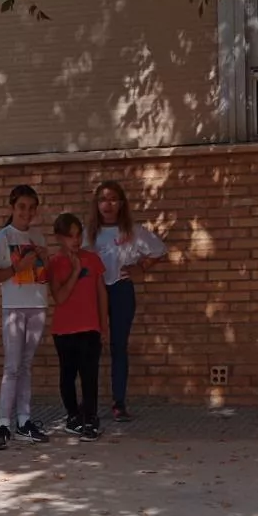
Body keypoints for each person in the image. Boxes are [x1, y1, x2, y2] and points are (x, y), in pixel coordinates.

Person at [90, 180, 166, 423]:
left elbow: (159, 250)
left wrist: (140, 268)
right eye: (102, 199)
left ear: (121, 203)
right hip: (95, 292)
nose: (107, 204)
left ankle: (119, 402)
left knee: (118, 347)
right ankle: (88, 403)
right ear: (97, 204)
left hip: (122, 290)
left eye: (112, 199)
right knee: (91, 347)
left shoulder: (132, 231)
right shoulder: (88, 232)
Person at [0, 184, 52, 449]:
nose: (27, 212)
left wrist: (45, 261)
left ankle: (24, 421)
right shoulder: (2, 238)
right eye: (22, 206)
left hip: (37, 306)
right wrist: (17, 267)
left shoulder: (38, 237)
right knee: (11, 367)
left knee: (25, 366)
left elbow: (45, 276)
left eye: (31, 207)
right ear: (12, 207)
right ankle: (3, 424)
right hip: (13, 307)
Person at [47, 212, 110, 438]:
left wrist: (104, 325)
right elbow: (60, 297)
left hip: (90, 327)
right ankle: (73, 415)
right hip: (64, 330)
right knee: (67, 375)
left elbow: (102, 293)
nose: (75, 240)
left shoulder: (92, 259)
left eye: (78, 234)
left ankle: (91, 417)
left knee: (89, 374)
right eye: (70, 236)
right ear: (59, 238)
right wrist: (74, 270)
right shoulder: (54, 263)